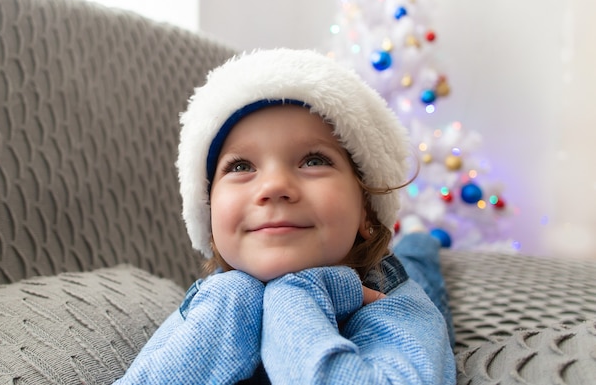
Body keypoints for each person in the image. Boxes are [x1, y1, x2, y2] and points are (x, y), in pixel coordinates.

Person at [114, 49, 456, 384]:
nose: (275, 186)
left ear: (367, 210)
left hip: (373, 275)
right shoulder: (219, 297)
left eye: (314, 161)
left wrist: (295, 295)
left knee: (417, 261)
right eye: (241, 166)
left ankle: (417, 237)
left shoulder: (397, 304)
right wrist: (235, 299)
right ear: (209, 215)